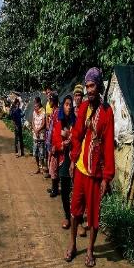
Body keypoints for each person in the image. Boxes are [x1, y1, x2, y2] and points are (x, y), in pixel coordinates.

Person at [65, 67, 115, 267]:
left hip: (95, 173)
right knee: (75, 211)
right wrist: (73, 159)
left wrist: (107, 177)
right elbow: (77, 135)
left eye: (92, 85)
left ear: (99, 85)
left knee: (93, 215)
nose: (89, 89)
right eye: (87, 86)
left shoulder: (106, 112)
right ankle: (72, 243)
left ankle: (90, 251)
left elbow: (109, 145)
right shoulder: (84, 106)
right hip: (80, 170)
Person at [52, 95, 76, 230]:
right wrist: (63, 143)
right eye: (67, 104)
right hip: (64, 160)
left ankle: (78, 220)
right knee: (65, 192)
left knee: (78, 192)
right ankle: (68, 217)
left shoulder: (75, 121)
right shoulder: (58, 122)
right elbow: (56, 141)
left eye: (70, 104)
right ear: (63, 106)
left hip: (76, 160)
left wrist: (69, 137)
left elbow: (79, 138)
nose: (69, 107)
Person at [72, 83, 87, 237]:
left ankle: (80, 220)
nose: (77, 98)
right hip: (71, 152)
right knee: (73, 187)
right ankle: (74, 217)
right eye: (76, 95)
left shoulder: (85, 111)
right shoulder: (70, 111)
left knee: (81, 190)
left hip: (82, 155)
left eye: (79, 95)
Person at [46, 93, 60, 197]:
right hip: (52, 143)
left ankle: (55, 190)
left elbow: (57, 130)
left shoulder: (57, 112)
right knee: (52, 165)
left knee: (54, 167)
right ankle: (53, 188)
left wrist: (55, 144)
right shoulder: (54, 112)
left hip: (55, 143)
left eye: (50, 100)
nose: (49, 102)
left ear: (53, 101)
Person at [32, 97, 46, 173]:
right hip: (35, 136)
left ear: (39, 103)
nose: (35, 105)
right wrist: (34, 130)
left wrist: (38, 130)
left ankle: (43, 168)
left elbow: (44, 123)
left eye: (36, 103)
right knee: (35, 153)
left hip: (41, 136)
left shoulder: (43, 111)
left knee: (42, 153)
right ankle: (38, 167)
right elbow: (32, 121)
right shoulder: (34, 112)